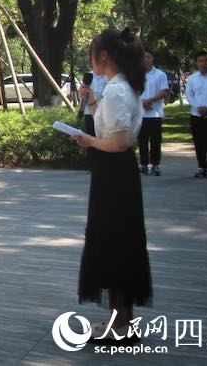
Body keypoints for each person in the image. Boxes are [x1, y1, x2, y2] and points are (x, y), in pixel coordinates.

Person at [71, 28, 152, 342]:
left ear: (103, 55)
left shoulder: (118, 90)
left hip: (114, 172)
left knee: (114, 242)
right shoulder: (120, 87)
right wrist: (92, 104)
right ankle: (121, 321)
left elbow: (116, 143)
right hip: (117, 172)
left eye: (92, 52)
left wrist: (86, 139)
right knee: (118, 241)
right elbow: (112, 131)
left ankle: (120, 326)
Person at [138, 49, 170, 175]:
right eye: (143, 57)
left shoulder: (160, 75)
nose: (146, 60)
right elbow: (133, 91)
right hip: (141, 113)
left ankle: (155, 165)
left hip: (155, 113)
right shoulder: (137, 74)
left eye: (148, 57)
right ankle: (144, 164)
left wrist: (149, 100)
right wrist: (142, 102)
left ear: (152, 58)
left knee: (155, 140)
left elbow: (164, 92)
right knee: (142, 140)